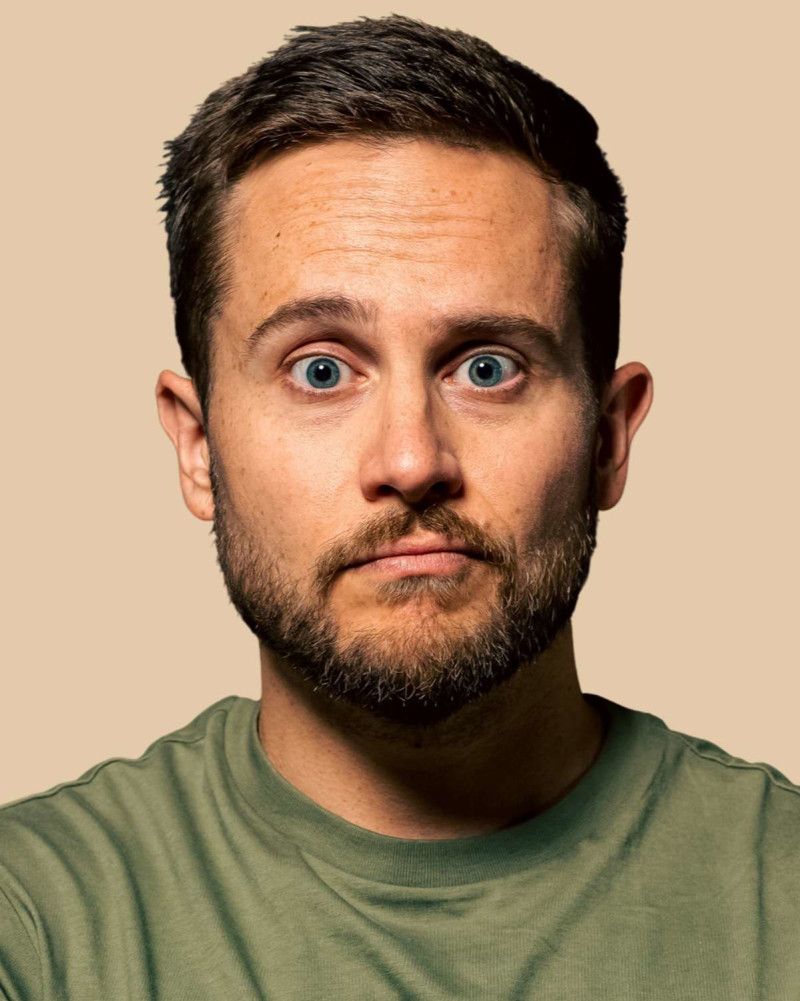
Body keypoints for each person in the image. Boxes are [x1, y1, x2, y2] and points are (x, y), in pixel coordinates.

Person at [1, 13, 797, 999]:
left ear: (608, 437)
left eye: (487, 367)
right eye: (321, 369)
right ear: (197, 446)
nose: (412, 460)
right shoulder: (35, 922)